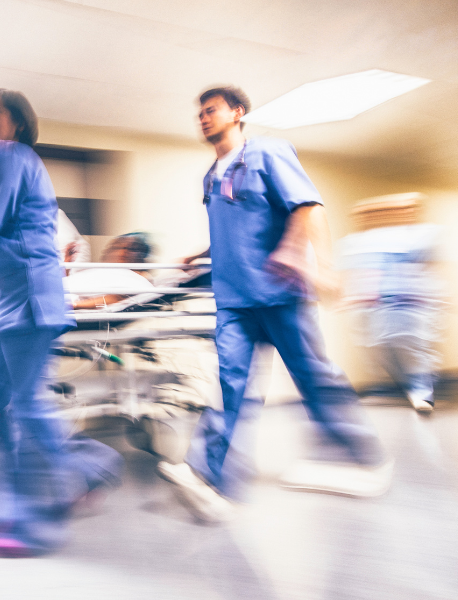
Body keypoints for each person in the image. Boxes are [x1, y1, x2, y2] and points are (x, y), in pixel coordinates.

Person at [158, 86, 392, 523]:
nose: (203, 118)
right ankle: (215, 481)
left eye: (212, 111)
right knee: (230, 388)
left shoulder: (267, 153)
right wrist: (200, 255)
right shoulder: (210, 177)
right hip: (234, 302)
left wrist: (291, 250)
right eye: (200, 114)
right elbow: (237, 228)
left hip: (280, 293)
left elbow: (305, 206)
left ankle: (364, 459)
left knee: (315, 378)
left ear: (238, 113)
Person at [0, 89, 119, 556]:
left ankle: (29, 520)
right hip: (7, 305)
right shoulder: (17, 164)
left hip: (27, 304)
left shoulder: (9, 155)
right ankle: (75, 476)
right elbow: (11, 236)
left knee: (20, 406)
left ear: (18, 122)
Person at [340, 194, 442, 413]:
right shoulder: (362, 241)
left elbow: (429, 267)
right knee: (378, 347)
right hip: (377, 305)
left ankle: (422, 393)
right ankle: (406, 385)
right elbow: (360, 273)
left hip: (412, 303)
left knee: (415, 349)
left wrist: (435, 296)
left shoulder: (422, 235)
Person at [66, 232, 154, 310]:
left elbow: (117, 298)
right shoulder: (102, 271)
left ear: (141, 257)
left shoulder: (137, 279)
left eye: (131, 249)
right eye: (117, 247)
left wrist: (75, 305)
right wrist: (67, 264)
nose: (123, 252)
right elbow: (67, 283)